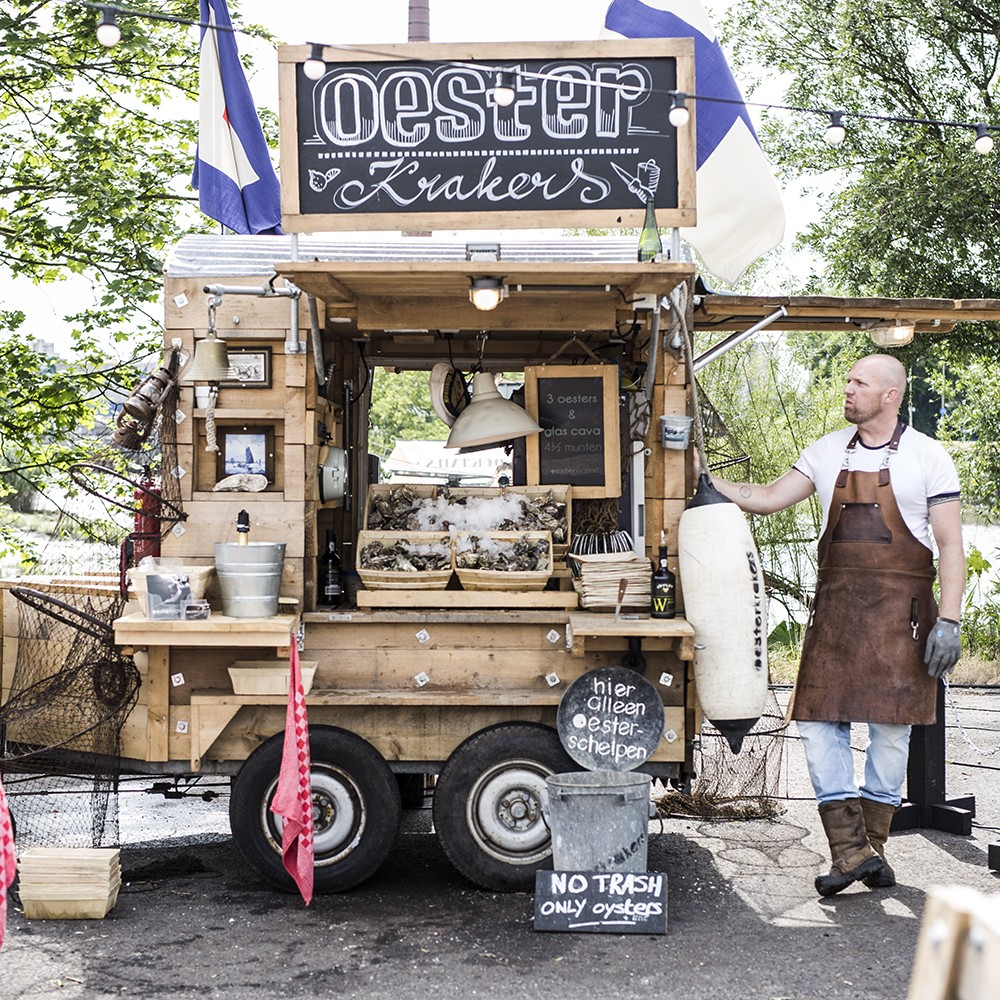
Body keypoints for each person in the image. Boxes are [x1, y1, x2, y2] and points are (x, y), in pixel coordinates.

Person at [704, 354, 964, 896]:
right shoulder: (826, 451)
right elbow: (770, 499)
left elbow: (951, 545)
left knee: (892, 730)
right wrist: (705, 480)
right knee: (818, 723)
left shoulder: (928, 457)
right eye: (848, 381)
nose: (847, 390)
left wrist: (951, 620)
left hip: (904, 615)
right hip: (837, 613)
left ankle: (866, 852)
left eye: (859, 383)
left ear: (890, 395)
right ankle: (854, 851)